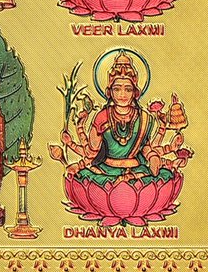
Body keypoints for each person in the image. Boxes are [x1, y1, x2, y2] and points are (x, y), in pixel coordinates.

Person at [65, 52, 174, 190]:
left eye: (128, 89)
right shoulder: (102, 116)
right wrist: (82, 128)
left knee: (166, 176)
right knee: (87, 179)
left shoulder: (144, 118)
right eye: (117, 89)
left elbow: (144, 147)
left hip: (136, 171)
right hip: (106, 171)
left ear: (135, 92)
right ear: (110, 92)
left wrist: (152, 156)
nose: (122, 94)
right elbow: (92, 152)